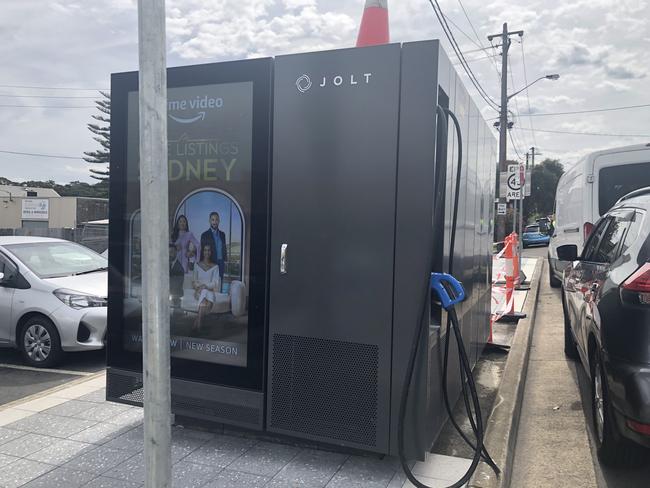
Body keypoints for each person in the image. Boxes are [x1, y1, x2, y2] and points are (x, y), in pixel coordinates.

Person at [192, 243, 220, 331]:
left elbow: (215, 283)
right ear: (202, 252)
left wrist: (205, 286)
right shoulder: (197, 265)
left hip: (209, 291)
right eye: (205, 250)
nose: (207, 252)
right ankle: (199, 325)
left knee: (205, 293)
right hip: (198, 291)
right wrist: (200, 288)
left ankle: (197, 323)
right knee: (204, 293)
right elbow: (194, 281)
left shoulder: (215, 267)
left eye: (209, 250)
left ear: (211, 252)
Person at [200, 212, 227, 285]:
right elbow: (202, 250)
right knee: (210, 283)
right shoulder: (204, 235)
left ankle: (218, 296)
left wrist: (225, 260)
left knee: (219, 282)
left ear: (219, 221)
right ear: (209, 221)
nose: (215, 222)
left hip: (220, 263)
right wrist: (202, 264)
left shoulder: (222, 234)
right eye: (213, 220)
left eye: (216, 220)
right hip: (210, 262)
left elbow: (224, 248)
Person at [169, 243, 184, 308]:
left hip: (176, 296)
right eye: (168, 252)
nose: (169, 254)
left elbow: (176, 286)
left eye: (171, 252)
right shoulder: (167, 264)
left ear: (176, 252)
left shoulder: (179, 268)